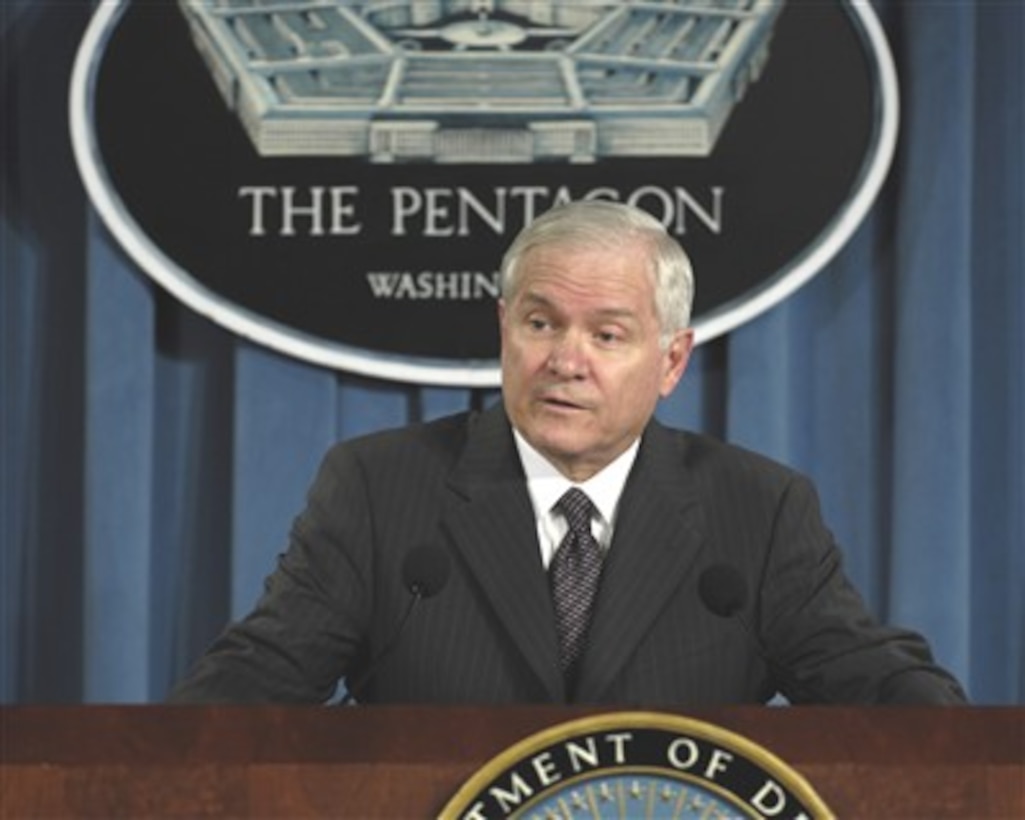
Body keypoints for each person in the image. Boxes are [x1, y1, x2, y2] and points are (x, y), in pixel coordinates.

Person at [170, 200, 966, 705]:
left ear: (671, 361)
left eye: (607, 334)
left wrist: (953, 745)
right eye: (541, 323)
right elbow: (261, 677)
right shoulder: (380, 488)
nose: (564, 359)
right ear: (503, 328)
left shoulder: (755, 511)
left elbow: (862, 676)